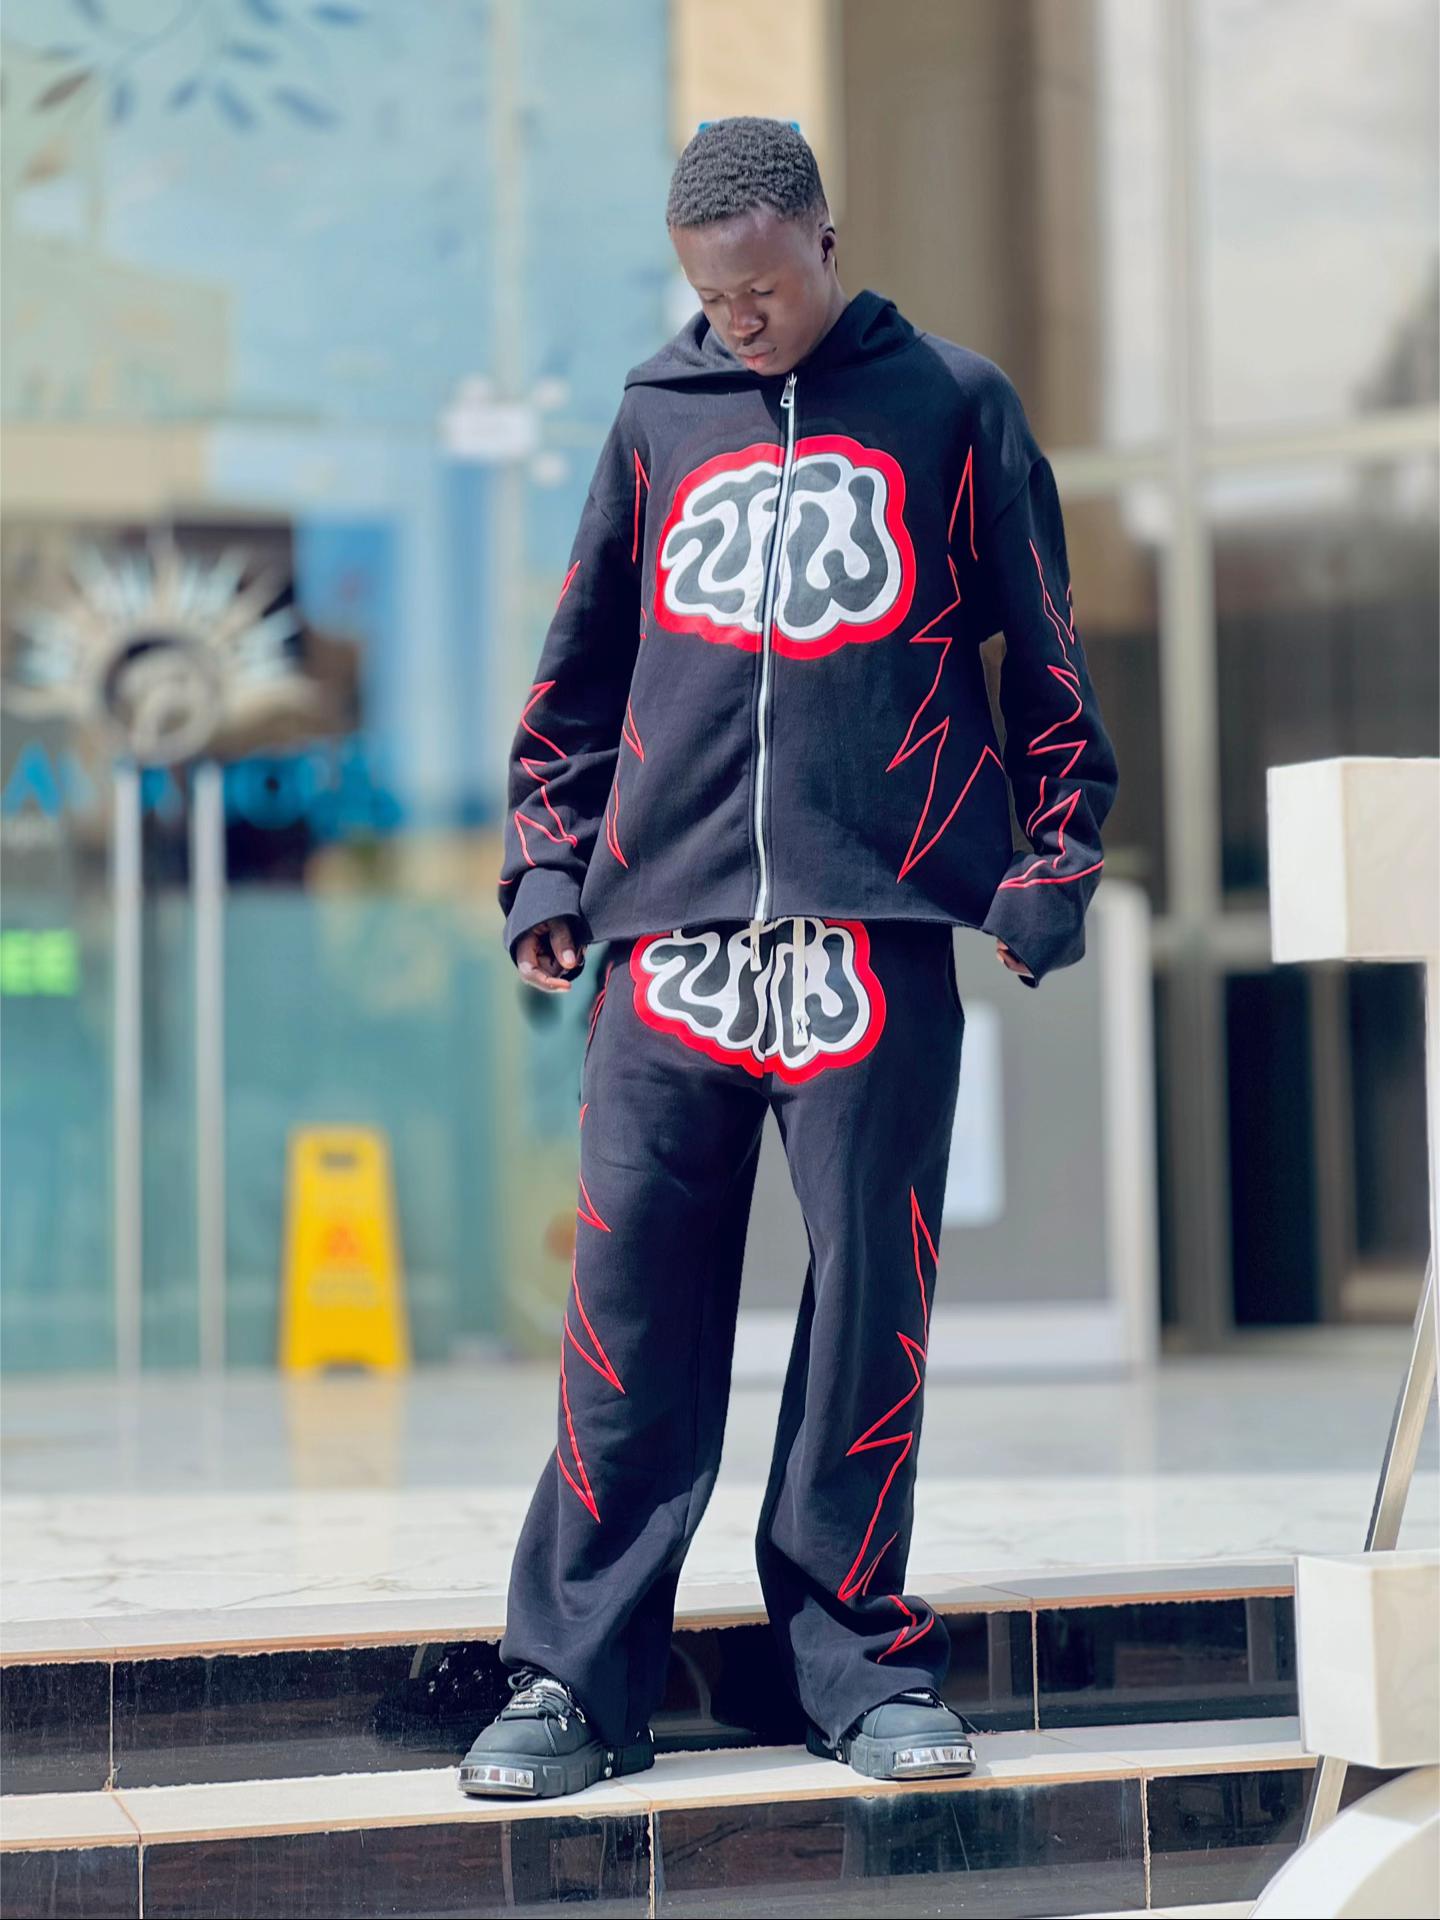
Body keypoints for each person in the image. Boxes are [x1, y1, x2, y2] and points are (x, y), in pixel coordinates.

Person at [460, 116, 1118, 1801]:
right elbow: (579, 667)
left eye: (760, 289)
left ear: (825, 238)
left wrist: (1050, 865)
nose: (736, 320)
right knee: (625, 1320)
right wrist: (549, 867)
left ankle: (862, 1667)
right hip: (664, 946)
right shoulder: (654, 413)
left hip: (872, 932)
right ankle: (572, 1683)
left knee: (867, 1317)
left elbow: (1043, 656)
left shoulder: (953, 405)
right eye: (710, 294)